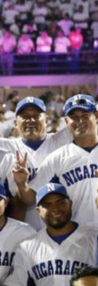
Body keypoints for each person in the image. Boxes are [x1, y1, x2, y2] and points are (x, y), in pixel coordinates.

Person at [5, 183, 97, 286]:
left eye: (61, 202)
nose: (55, 209)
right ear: (38, 210)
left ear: (70, 204)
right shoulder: (27, 246)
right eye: (47, 205)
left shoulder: (93, 237)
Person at [13, 94, 98, 227]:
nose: (80, 121)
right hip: (78, 236)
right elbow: (30, 198)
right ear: (66, 121)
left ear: (96, 116)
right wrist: (21, 183)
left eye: (85, 115)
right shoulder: (56, 158)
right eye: (74, 117)